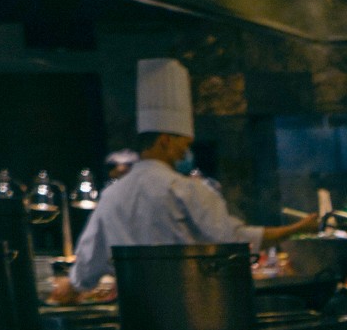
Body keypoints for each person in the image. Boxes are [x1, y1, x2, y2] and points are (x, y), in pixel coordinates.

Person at [51, 60, 312, 301]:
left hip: (137, 314)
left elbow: (87, 264)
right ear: (165, 141)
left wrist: (71, 287)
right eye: (183, 145)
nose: (185, 153)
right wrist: (297, 228)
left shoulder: (112, 195)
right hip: (194, 308)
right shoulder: (186, 190)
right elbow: (234, 239)